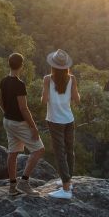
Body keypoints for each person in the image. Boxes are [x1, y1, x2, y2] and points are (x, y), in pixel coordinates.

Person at [0, 52, 45, 197]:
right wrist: (33, 127)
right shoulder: (19, 85)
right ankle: (24, 182)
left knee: (12, 153)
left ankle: (12, 187)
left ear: (9, 64)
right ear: (22, 66)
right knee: (39, 150)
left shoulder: (3, 81)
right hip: (19, 123)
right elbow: (24, 109)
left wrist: (8, 113)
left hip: (7, 121)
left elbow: (0, 102)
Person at [41, 49, 80, 199]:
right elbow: (77, 99)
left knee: (60, 153)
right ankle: (68, 181)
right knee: (69, 151)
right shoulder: (72, 79)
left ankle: (66, 190)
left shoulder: (47, 79)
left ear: (53, 66)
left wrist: (47, 94)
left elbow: (44, 101)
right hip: (69, 119)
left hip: (55, 120)